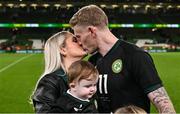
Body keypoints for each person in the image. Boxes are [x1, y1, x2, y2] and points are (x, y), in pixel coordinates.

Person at [69, 4, 176, 113]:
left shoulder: (135, 56)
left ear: (91, 31)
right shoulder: (93, 61)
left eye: (78, 36)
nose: (79, 43)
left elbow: (164, 104)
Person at [32, 31, 87, 113]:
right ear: (63, 49)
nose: (80, 42)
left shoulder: (87, 75)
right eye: (75, 40)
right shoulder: (50, 82)